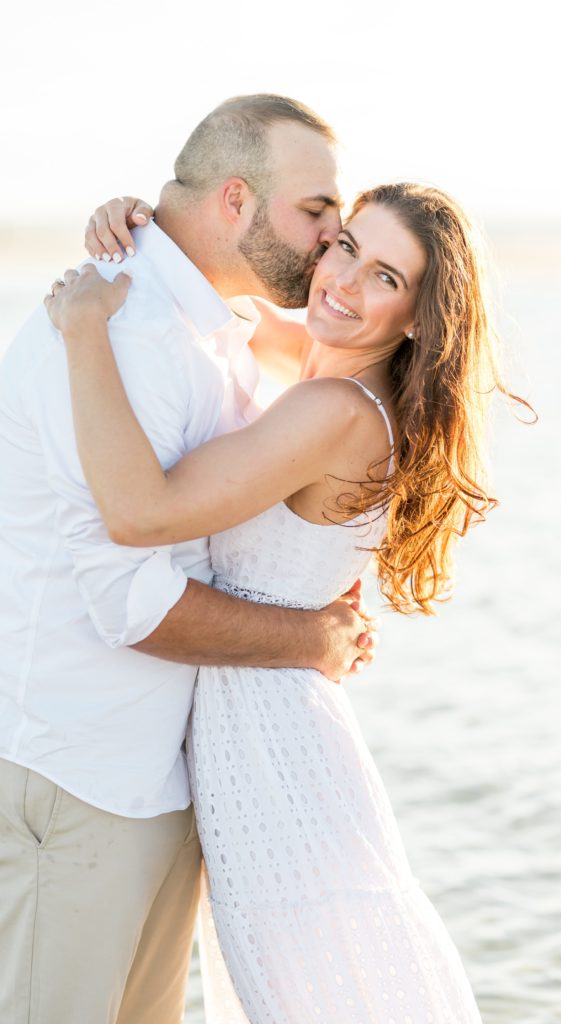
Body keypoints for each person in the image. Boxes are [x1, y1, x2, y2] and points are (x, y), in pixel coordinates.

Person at [45, 181, 532, 1022]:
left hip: (274, 739)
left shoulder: (334, 407)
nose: (342, 283)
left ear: (418, 317)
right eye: (345, 246)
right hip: (260, 717)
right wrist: (137, 221)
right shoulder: (320, 366)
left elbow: (141, 512)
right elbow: (210, 289)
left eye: (384, 277)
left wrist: (83, 328)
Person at [0, 94, 377, 1024]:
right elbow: (129, 598)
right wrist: (309, 641)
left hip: (163, 776)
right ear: (236, 201)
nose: (332, 242)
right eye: (318, 212)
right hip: (78, 774)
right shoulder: (130, 331)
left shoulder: (216, 331)